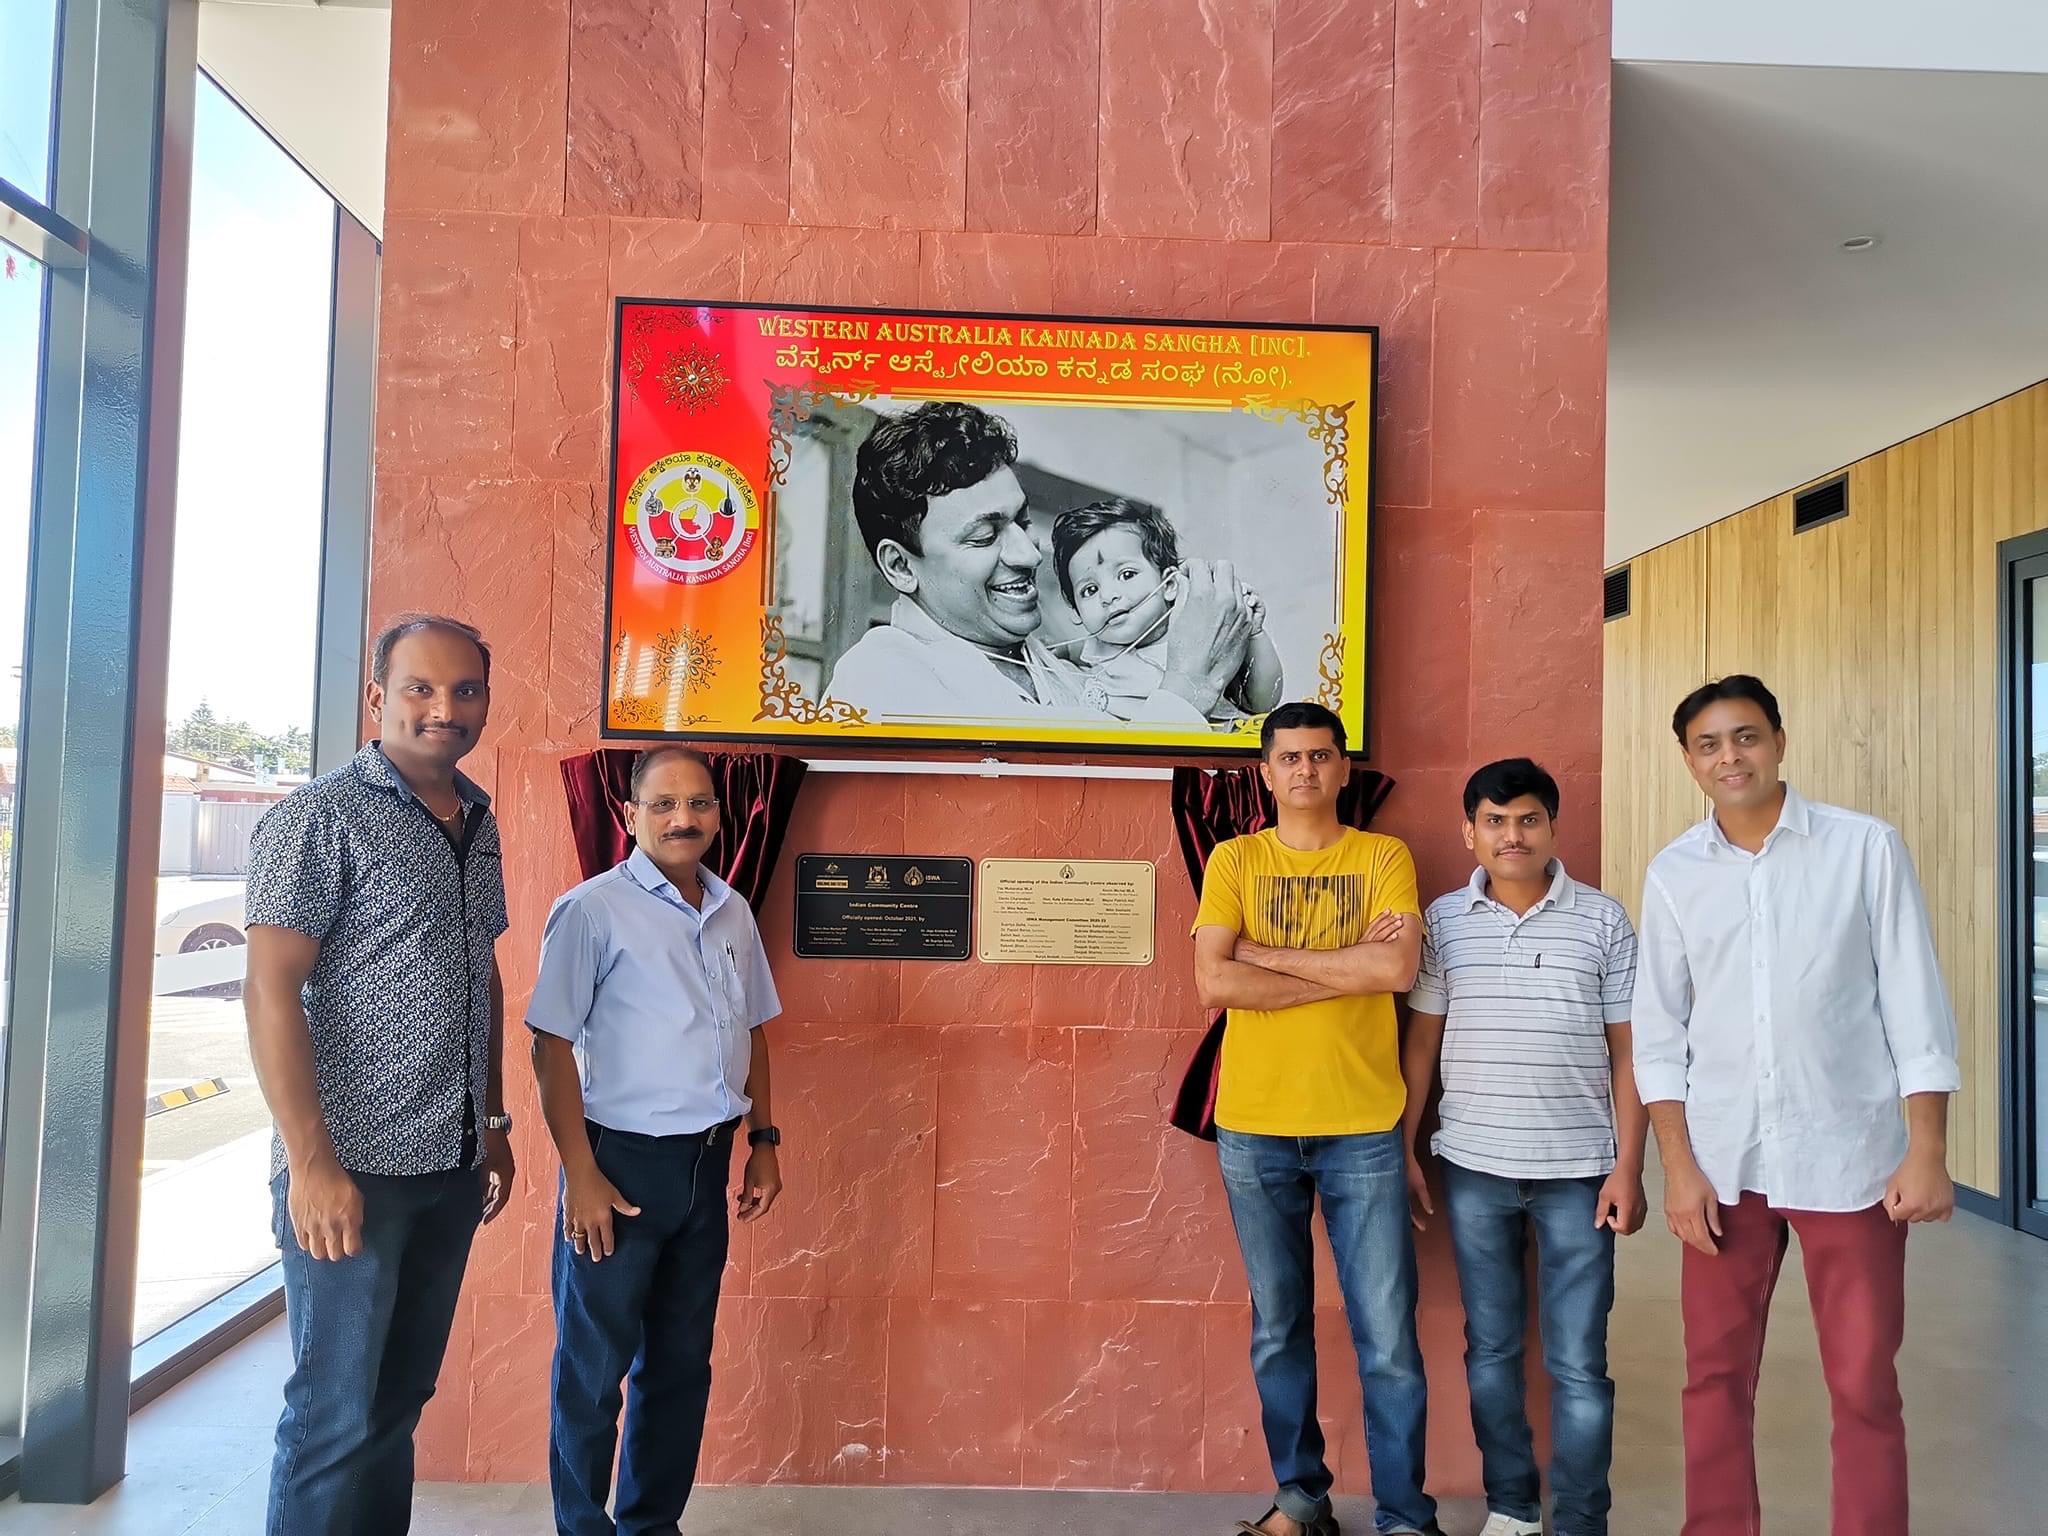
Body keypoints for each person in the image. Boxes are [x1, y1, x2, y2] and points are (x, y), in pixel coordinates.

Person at [1633, 675, 1960, 1536]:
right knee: (1713, 1377)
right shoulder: (1674, 874)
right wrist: (1677, 1169)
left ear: (1779, 740)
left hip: (1850, 1158)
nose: (1729, 757)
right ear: (1688, 761)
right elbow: (1660, 1037)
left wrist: (1926, 1148)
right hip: (1723, 1166)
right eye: (1708, 745)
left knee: (1863, 1383)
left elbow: (1916, 1004)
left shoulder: (1865, 849)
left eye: (1745, 736)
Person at [244, 614, 515, 1536]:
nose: (445, 708)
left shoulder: (478, 819)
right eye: (421, 688)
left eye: (465, 690)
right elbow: (270, 990)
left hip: (449, 1165)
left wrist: (493, 1126)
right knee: (334, 1417)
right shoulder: (318, 818)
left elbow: (482, 973)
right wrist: (310, 1163)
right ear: (377, 697)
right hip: (352, 1172)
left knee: (398, 1405)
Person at [1192, 700, 1442, 1536]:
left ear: (1343, 768)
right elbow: (1215, 983)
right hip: (1255, 1126)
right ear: (1266, 773)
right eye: (1290, 757)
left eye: (1321, 755)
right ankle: (1301, 1503)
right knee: (1279, 1330)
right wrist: (1345, 966)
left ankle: (1405, 1516)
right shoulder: (1234, 858)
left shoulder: (1382, 855)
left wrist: (1262, 956)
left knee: (1389, 1338)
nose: (1306, 769)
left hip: (1363, 1125)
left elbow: (1397, 970)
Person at [527, 746, 784, 1536]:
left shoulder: (731, 910)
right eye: (664, 804)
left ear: (719, 813)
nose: (684, 818)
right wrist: (581, 1173)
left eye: (699, 802)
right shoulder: (592, 910)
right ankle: (582, 1527)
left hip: (707, 1164)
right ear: (630, 813)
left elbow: (753, 1030)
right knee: (592, 1371)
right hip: (619, 1166)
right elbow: (549, 1044)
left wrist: (764, 1140)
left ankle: (650, 1525)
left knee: (678, 1366)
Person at [1402, 758, 1645, 1536]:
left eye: (1529, 819)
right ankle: (1512, 1507)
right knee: (1492, 1351)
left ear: (1553, 827)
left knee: (1580, 1365)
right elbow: (1421, 1044)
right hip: (1474, 1168)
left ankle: (1580, 1520)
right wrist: (1405, 1148)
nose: (1513, 836)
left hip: (1581, 1174)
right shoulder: (1443, 922)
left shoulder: (1603, 921)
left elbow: (1630, 1054)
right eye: (1496, 822)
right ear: (1469, 832)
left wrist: (1630, 1166)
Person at [822, 400, 1254, 725]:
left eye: (1023, 521)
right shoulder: (876, 681)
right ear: (900, 566)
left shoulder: (1058, 664)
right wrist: (1188, 684)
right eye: (984, 536)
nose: (1030, 554)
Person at [1050, 496, 1284, 722]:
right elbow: (1076, 650)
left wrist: (1254, 634)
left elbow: (1263, 702)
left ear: (1169, 585)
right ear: (1076, 611)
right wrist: (1056, 650)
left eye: (1127, 574)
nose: (1108, 596)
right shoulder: (1096, 647)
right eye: (1090, 590)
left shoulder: (1201, 633)